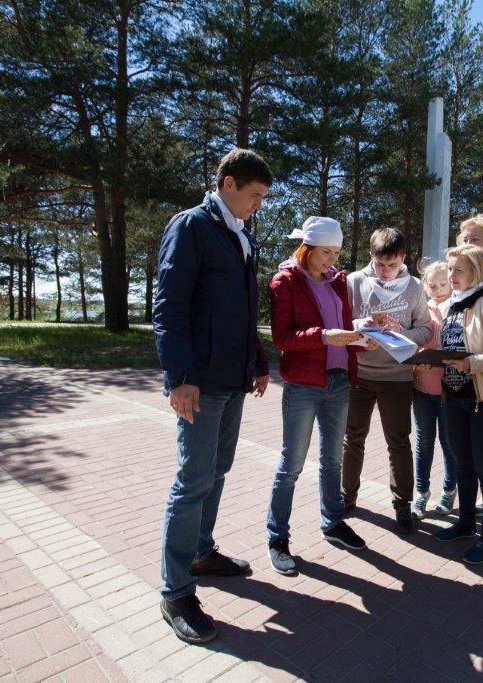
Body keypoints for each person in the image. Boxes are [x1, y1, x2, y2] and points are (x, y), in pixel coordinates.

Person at [153, 148, 273, 644]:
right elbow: (169, 305)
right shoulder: (191, 226)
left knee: (217, 470)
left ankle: (201, 552)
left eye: (262, 197)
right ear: (228, 184)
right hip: (199, 382)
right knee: (193, 480)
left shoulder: (240, 234)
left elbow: (243, 310)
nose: (258, 205)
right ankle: (176, 591)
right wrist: (180, 376)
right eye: (254, 195)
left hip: (232, 380)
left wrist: (258, 360)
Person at [265, 216, 370, 574]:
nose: (332, 260)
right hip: (304, 385)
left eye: (336, 253)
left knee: (332, 460)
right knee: (291, 465)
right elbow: (282, 338)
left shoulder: (337, 281)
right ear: (307, 248)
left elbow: (343, 327)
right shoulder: (285, 281)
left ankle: (333, 522)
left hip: (338, 381)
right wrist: (324, 336)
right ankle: (277, 537)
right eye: (326, 252)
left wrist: (362, 336)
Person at [342, 228, 433, 534]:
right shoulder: (354, 281)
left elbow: (425, 330)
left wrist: (400, 333)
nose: (385, 271)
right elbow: (340, 322)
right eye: (380, 264)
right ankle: (347, 496)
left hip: (397, 377)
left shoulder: (415, 287)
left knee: (398, 442)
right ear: (371, 255)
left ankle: (402, 504)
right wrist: (361, 325)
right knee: (352, 438)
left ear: (403, 258)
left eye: (392, 265)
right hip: (359, 374)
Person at [432, 245, 483, 564]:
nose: (451, 275)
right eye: (449, 268)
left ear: (476, 271)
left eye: (458, 270)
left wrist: (470, 364)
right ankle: (465, 523)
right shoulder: (451, 304)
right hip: (454, 397)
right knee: (462, 464)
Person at [410, 261, 457, 519]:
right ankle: (421, 493)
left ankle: (449, 491)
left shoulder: (458, 309)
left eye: (442, 284)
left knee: (449, 443)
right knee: (424, 442)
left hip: (448, 391)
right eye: (432, 285)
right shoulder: (422, 311)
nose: (438, 290)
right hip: (421, 389)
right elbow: (414, 341)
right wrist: (418, 355)